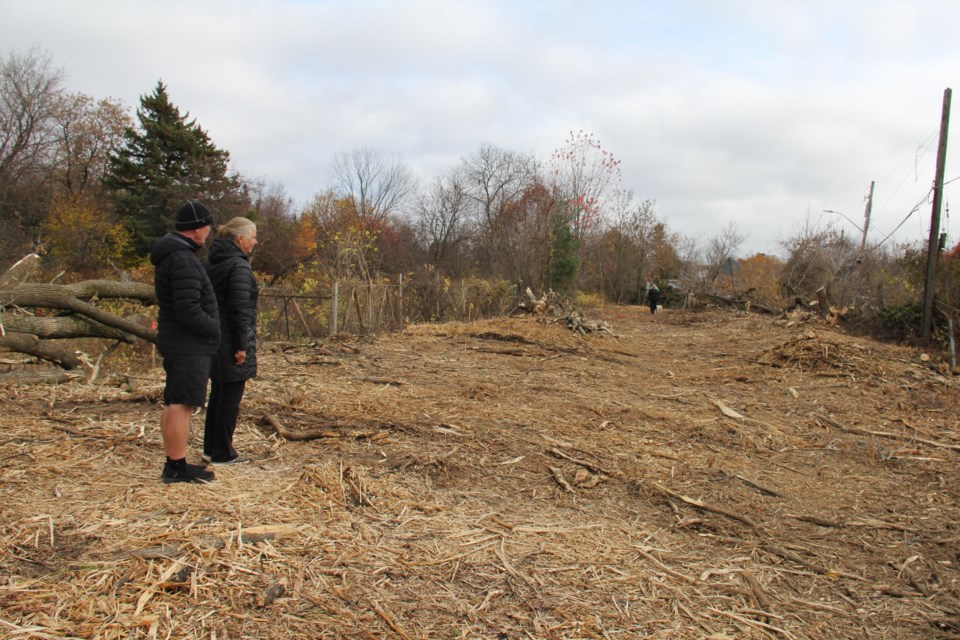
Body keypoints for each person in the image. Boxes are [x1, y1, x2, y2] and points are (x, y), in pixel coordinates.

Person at [150, 201, 220, 484]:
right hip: (187, 344)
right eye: (207, 226)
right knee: (182, 404)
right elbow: (188, 309)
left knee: (174, 402)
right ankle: (176, 468)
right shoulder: (182, 258)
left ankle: (174, 461)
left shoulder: (176, 254)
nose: (208, 232)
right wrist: (214, 328)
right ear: (196, 228)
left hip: (180, 341)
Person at [203, 217, 259, 464]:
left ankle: (210, 448)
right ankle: (223, 453)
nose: (255, 242)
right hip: (229, 342)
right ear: (240, 239)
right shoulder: (239, 267)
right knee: (230, 398)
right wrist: (241, 346)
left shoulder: (211, 263)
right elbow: (239, 310)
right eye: (253, 237)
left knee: (218, 392)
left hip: (213, 339)